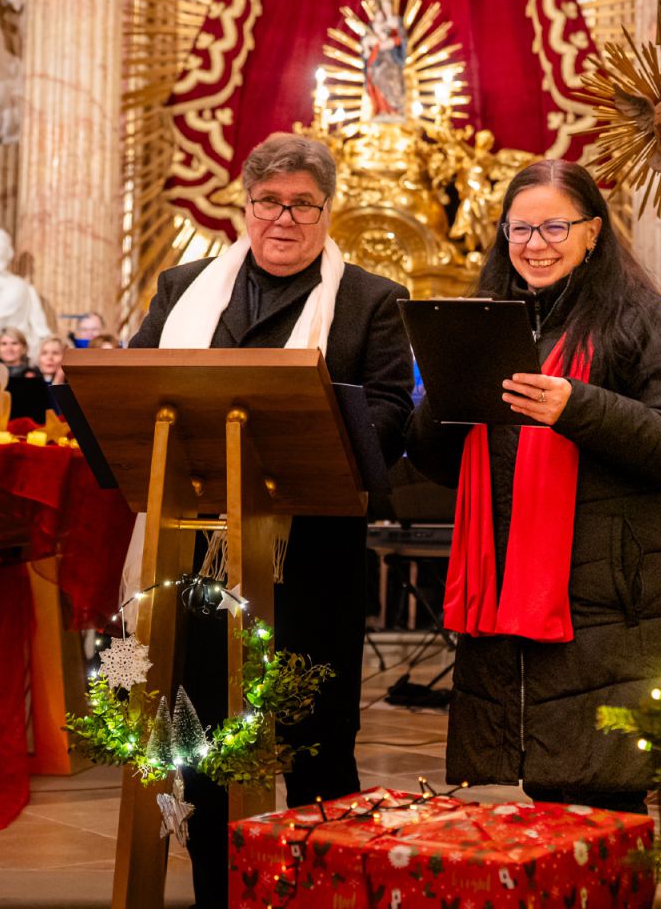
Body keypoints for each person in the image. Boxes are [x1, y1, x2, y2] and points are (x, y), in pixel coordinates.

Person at [127, 131, 414, 907]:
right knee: (204, 737)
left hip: (313, 555)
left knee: (316, 738)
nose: (283, 219)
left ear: (327, 211)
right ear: (244, 205)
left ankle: (328, 893)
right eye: (268, 202)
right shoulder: (183, 288)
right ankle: (218, 894)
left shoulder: (370, 300)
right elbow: (137, 383)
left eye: (302, 205)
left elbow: (393, 409)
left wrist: (321, 437)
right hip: (198, 556)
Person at [405, 159, 661, 813]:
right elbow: (439, 463)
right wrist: (445, 396)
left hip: (612, 610)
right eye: (519, 229)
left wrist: (577, 406)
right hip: (513, 613)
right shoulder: (487, 319)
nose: (535, 244)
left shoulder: (640, 318)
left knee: (609, 805)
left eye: (554, 227)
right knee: (545, 806)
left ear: (593, 232)